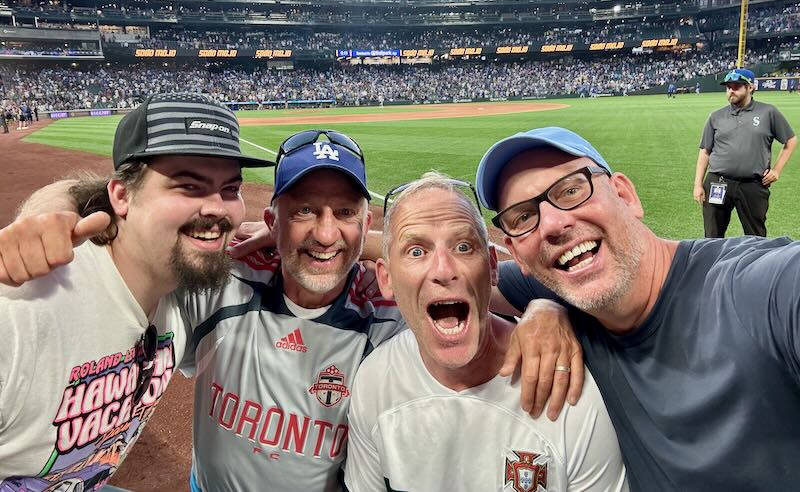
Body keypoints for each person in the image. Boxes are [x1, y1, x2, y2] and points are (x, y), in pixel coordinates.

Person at [0, 129, 581, 491]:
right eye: (304, 211)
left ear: (366, 226)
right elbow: (136, 221)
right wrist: (46, 209)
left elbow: (528, 283)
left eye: (345, 214)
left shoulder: (392, 304)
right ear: (272, 220)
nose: (326, 234)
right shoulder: (217, 280)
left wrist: (543, 314)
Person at [476, 126, 800, 491]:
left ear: (625, 195)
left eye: (571, 190)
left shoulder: (754, 288)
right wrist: (543, 307)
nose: (552, 224)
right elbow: (463, 285)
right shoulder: (561, 284)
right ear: (517, 254)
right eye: (522, 218)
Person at [0, 92, 271, 488]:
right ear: (122, 197)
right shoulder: (20, 311)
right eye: (189, 187)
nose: (217, 207)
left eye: (230, 189)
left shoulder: (184, 287)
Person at [344, 174, 627, 492]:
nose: (443, 269)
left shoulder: (572, 395)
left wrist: (549, 307)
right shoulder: (374, 381)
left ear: (493, 266)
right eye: (416, 251)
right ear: (387, 279)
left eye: (463, 247)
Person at [693, 67, 796, 237]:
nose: (731, 91)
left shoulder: (768, 112)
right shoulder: (716, 117)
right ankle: (713, 264)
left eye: (736, 86)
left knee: (756, 237)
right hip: (718, 182)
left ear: (750, 87)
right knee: (712, 236)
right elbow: (705, 151)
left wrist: (776, 170)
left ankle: (756, 264)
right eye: (728, 87)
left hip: (753, 185)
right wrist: (698, 184)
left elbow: (791, 141)